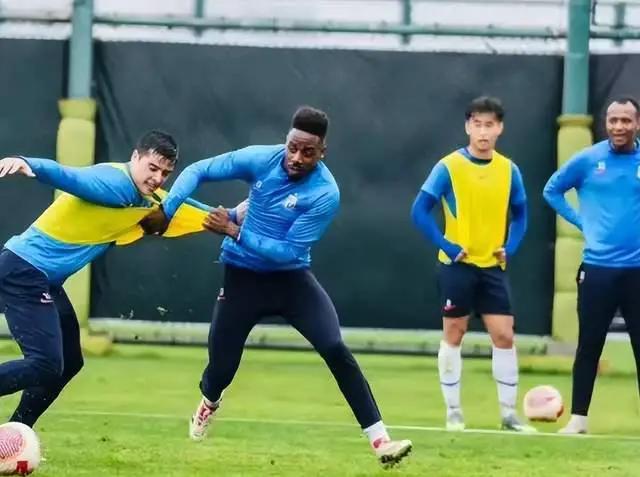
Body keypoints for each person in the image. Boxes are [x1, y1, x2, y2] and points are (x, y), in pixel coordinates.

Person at [148, 106, 412, 467]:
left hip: (291, 282)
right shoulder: (262, 159)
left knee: (334, 346)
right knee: (221, 370)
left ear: (322, 153)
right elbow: (198, 170)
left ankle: (380, 441)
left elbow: (287, 251)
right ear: (286, 141)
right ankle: (209, 402)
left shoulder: (325, 193)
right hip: (241, 279)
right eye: (293, 147)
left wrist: (233, 229)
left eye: (308, 152)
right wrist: (167, 212)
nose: (297, 158)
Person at [0, 130, 219, 427]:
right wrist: (29, 163)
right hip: (23, 271)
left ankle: (15, 434)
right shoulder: (114, 182)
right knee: (45, 364)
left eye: (165, 173)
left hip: (42, 278)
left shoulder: (145, 195)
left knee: (68, 363)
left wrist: (231, 216)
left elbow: (182, 206)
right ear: (135, 157)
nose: (157, 178)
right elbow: (70, 177)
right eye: (152, 168)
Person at [411, 96, 533, 432]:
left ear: (500, 128)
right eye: (477, 124)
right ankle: (454, 413)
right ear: (467, 126)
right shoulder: (449, 166)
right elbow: (419, 211)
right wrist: (447, 247)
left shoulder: (509, 170)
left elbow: (521, 214)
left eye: (489, 125)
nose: (483, 132)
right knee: (455, 332)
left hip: (492, 267)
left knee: (504, 335)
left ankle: (509, 416)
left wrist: (511, 247)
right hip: (457, 267)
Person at [543, 96, 640, 435]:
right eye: (613, 120)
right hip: (597, 270)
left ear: (637, 124)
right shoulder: (588, 159)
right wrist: (581, 221)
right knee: (589, 346)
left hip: (637, 272)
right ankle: (579, 419)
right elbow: (552, 190)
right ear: (606, 123)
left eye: (626, 120)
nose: (619, 126)